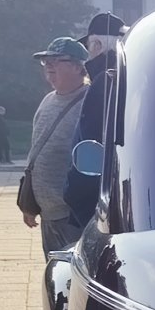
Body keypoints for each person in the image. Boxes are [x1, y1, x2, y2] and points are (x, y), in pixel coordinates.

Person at [21, 36, 89, 310]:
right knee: (55, 285)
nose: (48, 67)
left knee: (74, 286)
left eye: (57, 61)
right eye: (45, 61)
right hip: (48, 211)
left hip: (72, 212)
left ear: (78, 67)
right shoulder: (48, 100)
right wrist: (29, 203)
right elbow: (36, 151)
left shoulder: (89, 101)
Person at [64, 12, 128, 229]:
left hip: (98, 210)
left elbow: (91, 150)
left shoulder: (104, 83)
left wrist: (74, 197)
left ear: (98, 45)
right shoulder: (132, 78)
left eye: (89, 47)